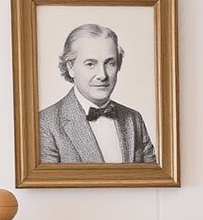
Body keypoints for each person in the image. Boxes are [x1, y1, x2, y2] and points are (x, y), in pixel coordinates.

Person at [38, 23, 157, 165]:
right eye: (90, 64)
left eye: (110, 63)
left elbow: (152, 181)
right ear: (70, 68)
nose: (102, 75)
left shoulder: (134, 119)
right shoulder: (45, 123)